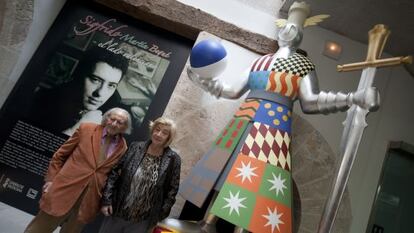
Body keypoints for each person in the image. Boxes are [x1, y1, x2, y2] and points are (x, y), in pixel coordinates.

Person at [180, 2, 379, 233]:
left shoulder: (304, 65)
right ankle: (207, 223)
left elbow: (311, 101)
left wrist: (351, 98)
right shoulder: (260, 60)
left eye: (296, 25)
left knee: (253, 182)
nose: (290, 29)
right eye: (288, 23)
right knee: (226, 175)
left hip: (273, 129)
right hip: (243, 121)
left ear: (303, 31)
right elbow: (233, 90)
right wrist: (206, 82)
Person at [24, 107, 132, 233]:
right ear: (106, 118)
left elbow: (111, 175)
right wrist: (51, 180)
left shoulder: (122, 147)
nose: (114, 124)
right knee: (39, 229)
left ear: (125, 127)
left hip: (89, 200)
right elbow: (59, 156)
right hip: (64, 189)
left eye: (119, 122)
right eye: (112, 119)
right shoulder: (86, 129)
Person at [99, 117, 181, 233]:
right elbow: (114, 173)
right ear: (152, 130)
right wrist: (107, 200)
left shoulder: (173, 159)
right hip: (117, 211)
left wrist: (158, 216)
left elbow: (172, 191)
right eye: (157, 129)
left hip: (142, 220)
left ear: (169, 137)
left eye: (164, 132)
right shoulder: (135, 147)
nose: (158, 134)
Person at [29, 46, 129, 136]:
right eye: (95, 80)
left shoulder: (118, 114)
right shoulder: (42, 101)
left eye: (111, 85)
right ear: (79, 75)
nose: (100, 93)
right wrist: (75, 129)